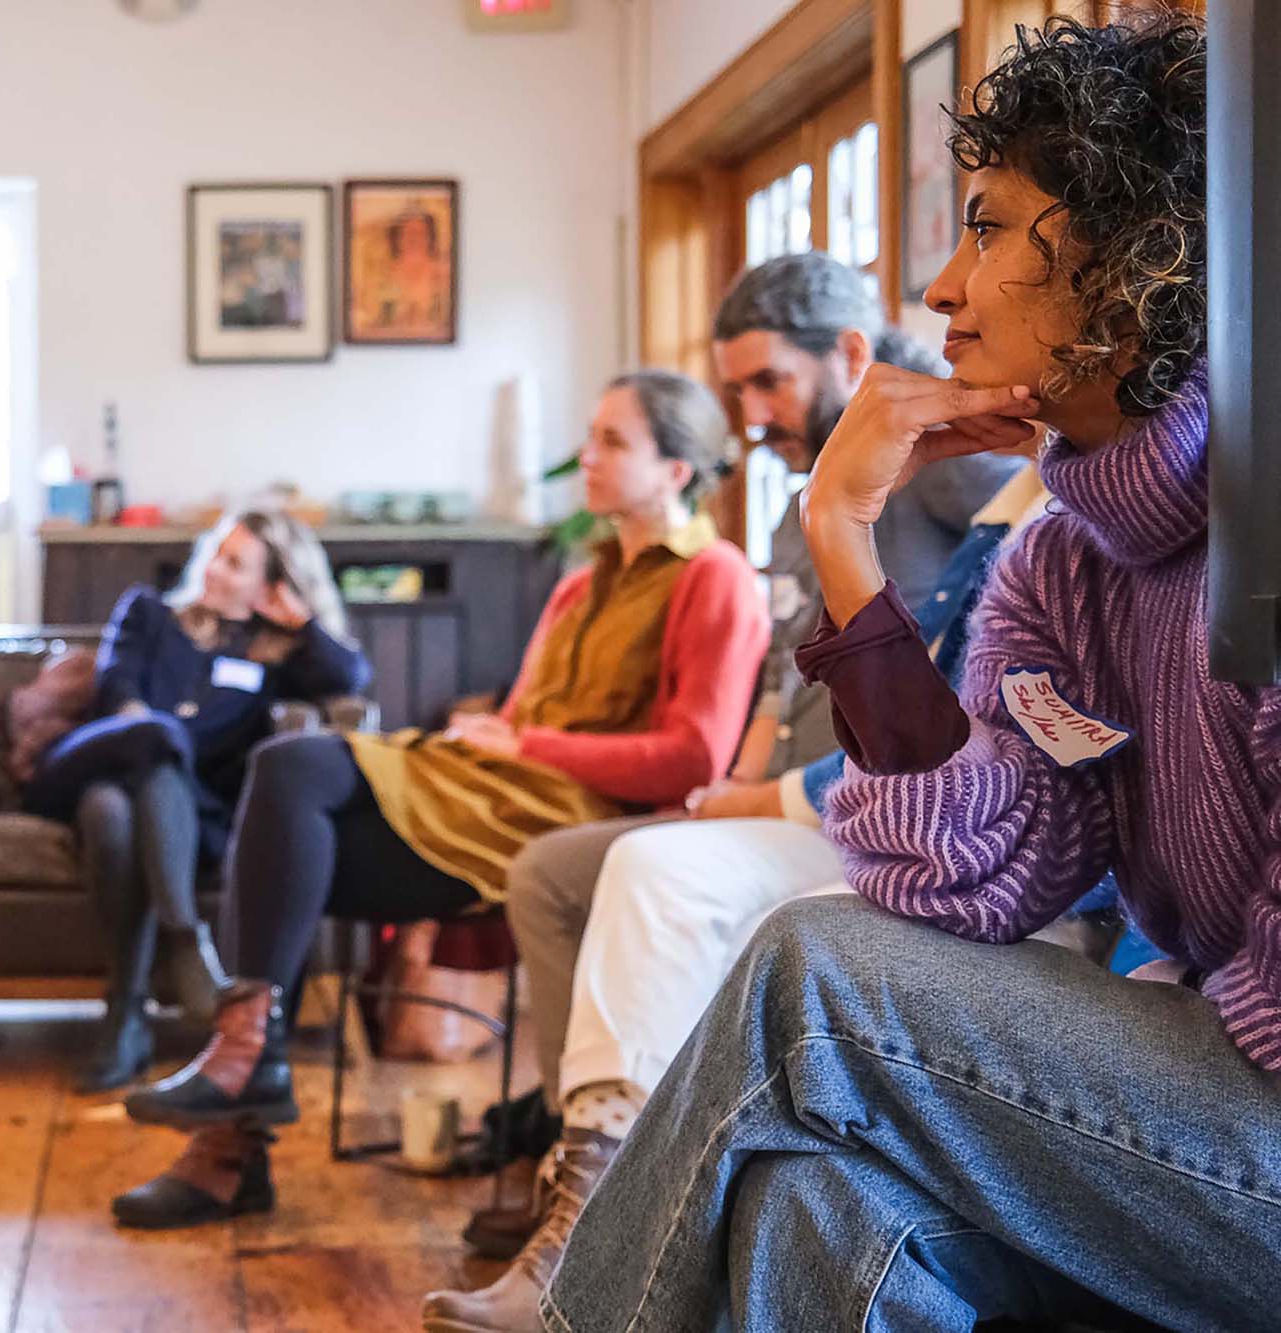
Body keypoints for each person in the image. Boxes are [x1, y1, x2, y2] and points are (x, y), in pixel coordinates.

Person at [546, 16, 1277, 1332]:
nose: (939, 290)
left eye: (987, 228)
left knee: (806, 969)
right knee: (818, 1204)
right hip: (1212, 1107)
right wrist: (842, 539)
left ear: (1138, 258)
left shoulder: (1266, 543)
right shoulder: (1065, 563)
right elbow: (966, 877)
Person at [422, 254, 1030, 1317]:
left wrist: (776, 794)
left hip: (875, 806)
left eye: (765, 384)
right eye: (736, 389)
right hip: (799, 794)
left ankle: (598, 1213)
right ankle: (590, 1166)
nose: (746, 415)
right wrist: (737, 778)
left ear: (848, 354)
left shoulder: (943, 469)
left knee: (646, 867)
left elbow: (980, 680)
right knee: (576, 869)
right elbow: (781, 663)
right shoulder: (823, 484)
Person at [110, 369, 771, 1230]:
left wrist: (522, 741)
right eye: (592, 434)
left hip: (559, 818)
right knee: (282, 820)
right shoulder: (581, 581)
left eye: (614, 440)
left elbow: (693, 755)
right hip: (485, 794)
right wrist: (496, 731)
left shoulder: (712, 577)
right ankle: (240, 1097)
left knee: (295, 769)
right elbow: (522, 713)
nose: (588, 455)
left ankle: (233, 1118)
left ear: (676, 471)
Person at [32, 509, 370, 1091]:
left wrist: (303, 624)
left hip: (177, 811)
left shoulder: (273, 658)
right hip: (86, 764)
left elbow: (352, 678)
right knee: (156, 740)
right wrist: (156, 737)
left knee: (113, 812)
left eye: (235, 563)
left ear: (269, 586)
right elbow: (118, 689)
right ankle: (185, 941)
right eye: (216, 552)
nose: (214, 569)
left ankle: (126, 1017)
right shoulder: (149, 613)